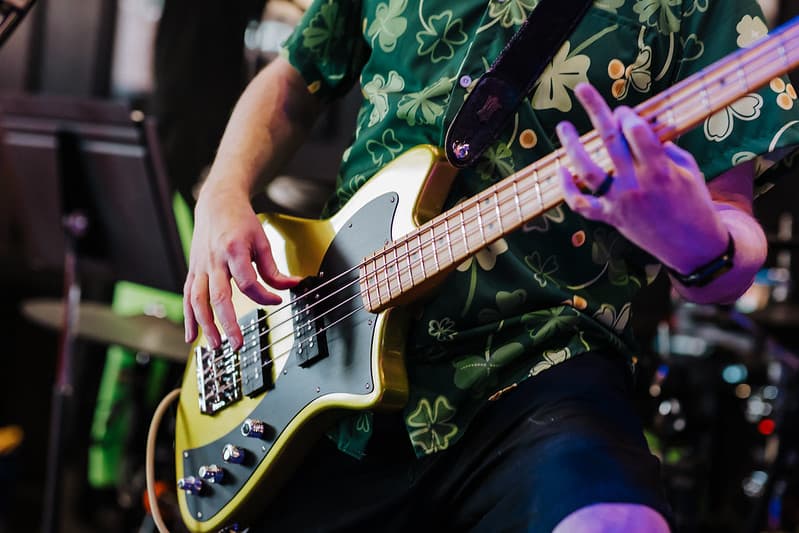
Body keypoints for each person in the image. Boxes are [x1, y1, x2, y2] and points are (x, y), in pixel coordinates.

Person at [183, 1, 799, 531]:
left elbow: (733, 238)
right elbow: (296, 76)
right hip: (326, 353)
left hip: (543, 366)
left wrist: (694, 239)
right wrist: (222, 193)